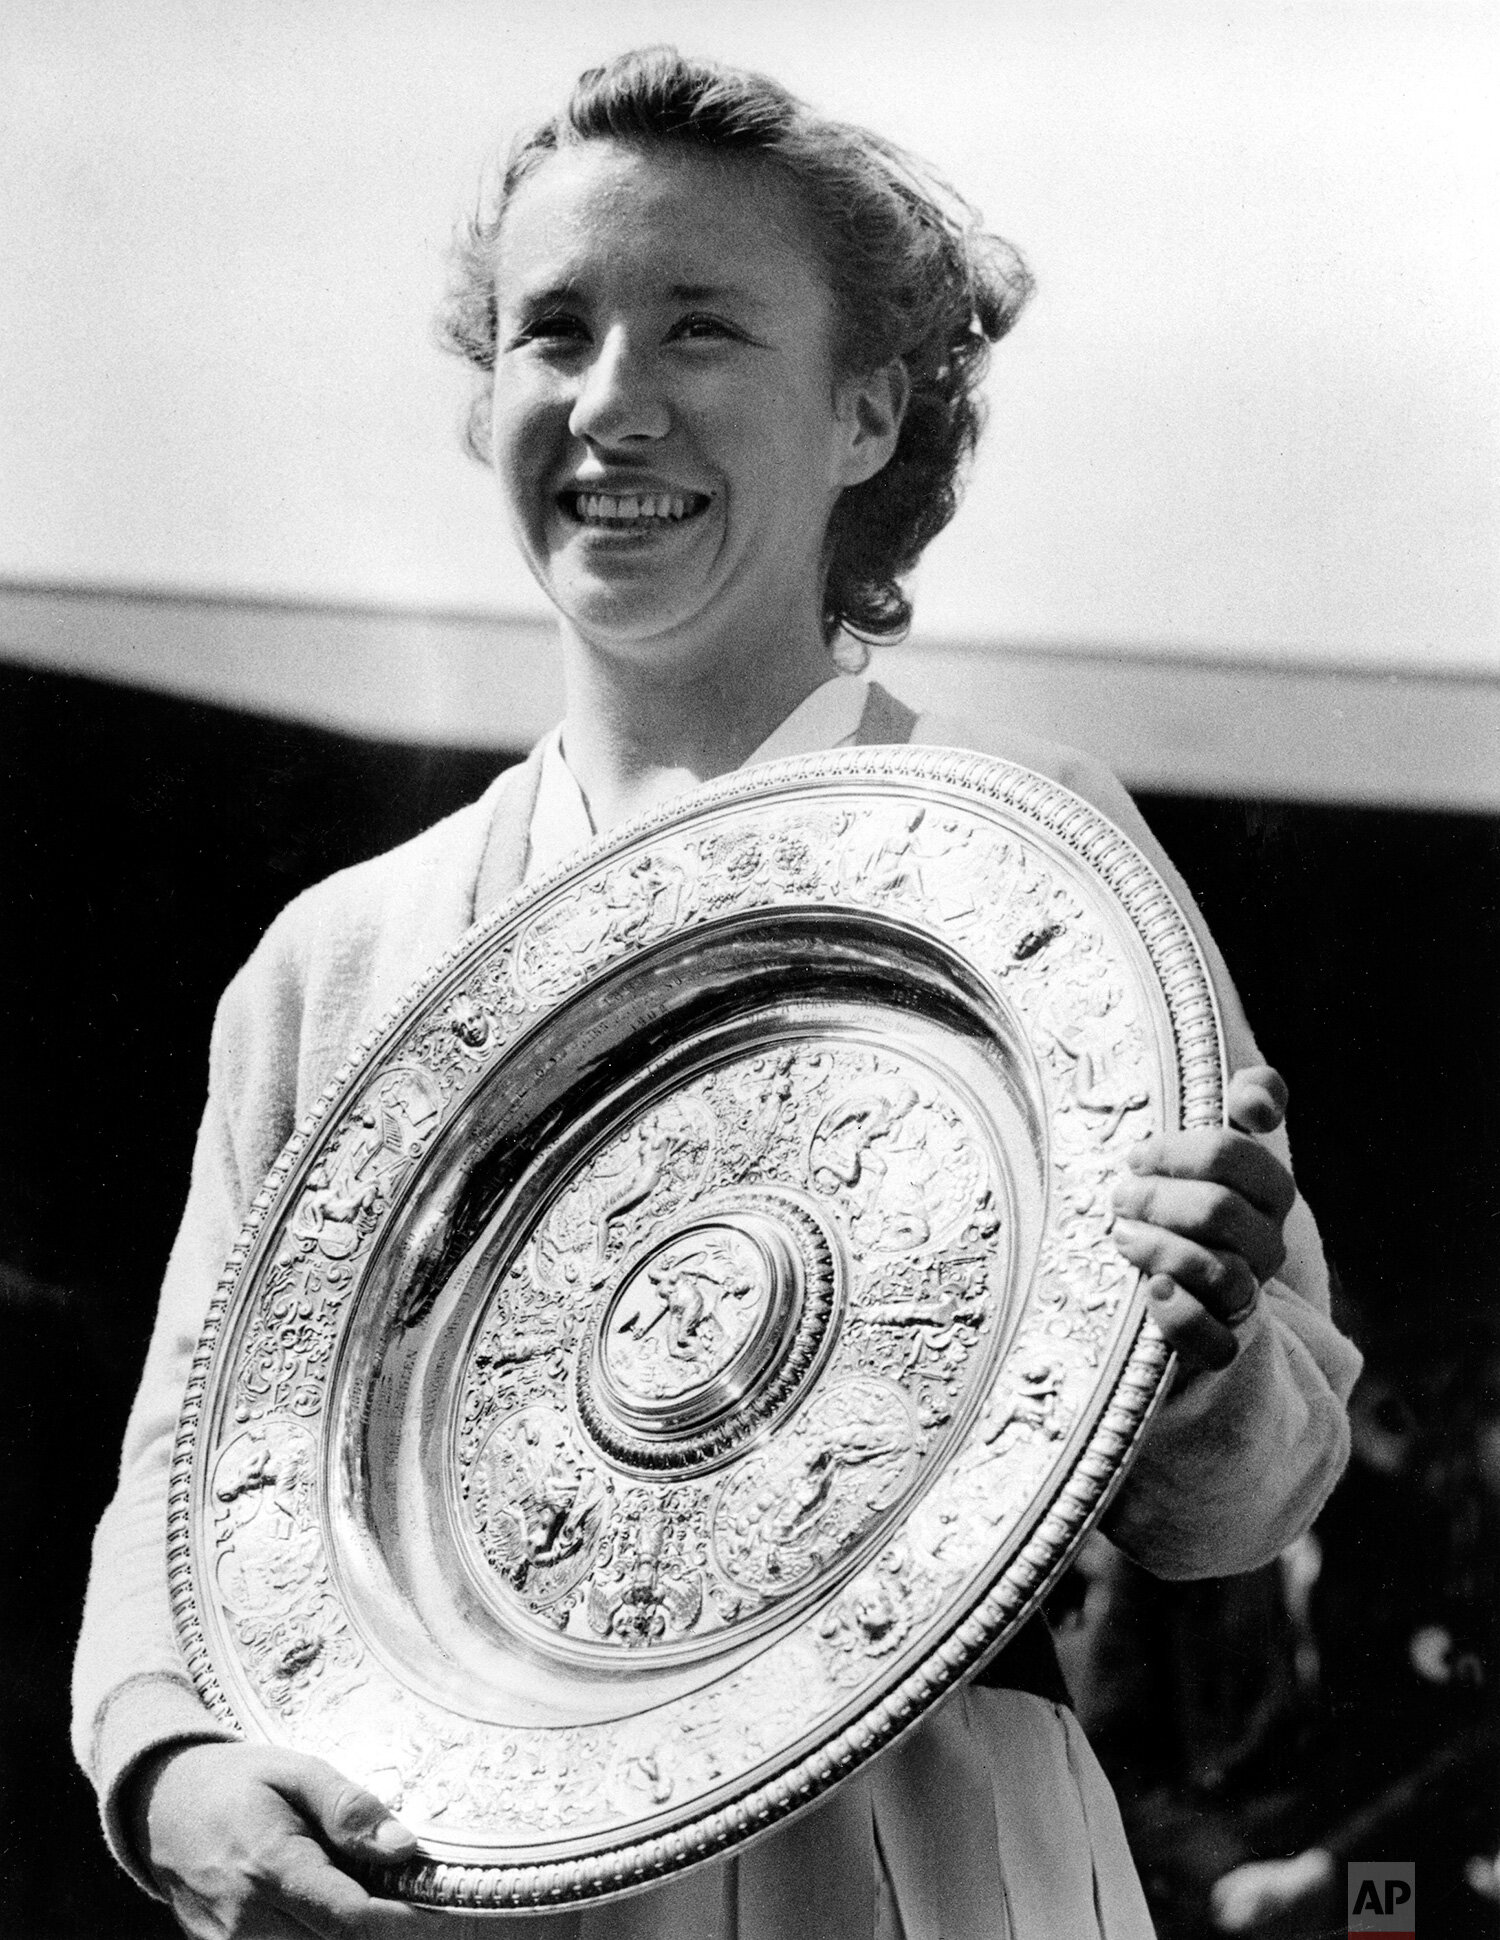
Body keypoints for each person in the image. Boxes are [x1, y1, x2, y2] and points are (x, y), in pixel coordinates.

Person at [72, 47, 1362, 1940]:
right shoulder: (333, 958)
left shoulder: (1037, 850)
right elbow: (189, 1495)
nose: (612, 404)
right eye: (552, 330)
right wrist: (165, 1759)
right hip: (446, 1873)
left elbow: (1244, 1504)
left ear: (865, 413)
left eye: (700, 330)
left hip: (928, 1861)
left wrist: (1212, 1338)